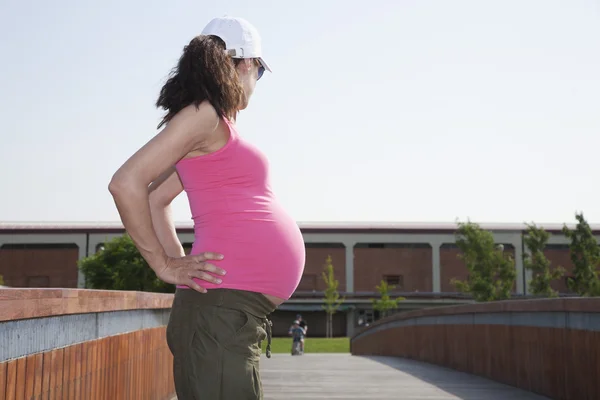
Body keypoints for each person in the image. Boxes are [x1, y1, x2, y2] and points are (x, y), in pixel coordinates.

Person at [108, 15, 306, 400]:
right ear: (246, 63)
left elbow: (157, 198)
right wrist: (165, 265)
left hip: (226, 313)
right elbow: (126, 183)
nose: (256, 84)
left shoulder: (213, 126)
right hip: (220, 312)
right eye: (260, 73)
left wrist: (181, 265)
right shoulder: (204, 115)